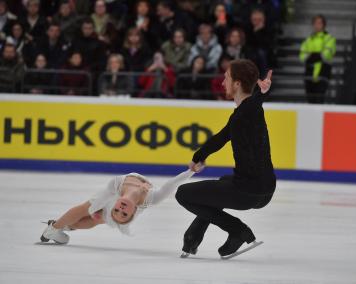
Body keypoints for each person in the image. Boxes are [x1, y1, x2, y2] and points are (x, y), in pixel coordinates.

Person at [175, 59, 276, 258]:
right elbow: (220, 139)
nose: (223, 83)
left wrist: (262, 94)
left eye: (226, 78)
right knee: (222, 182)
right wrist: (198, 158)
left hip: (248, 192)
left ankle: (238, 230)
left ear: (237, 83)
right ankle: (193, 237)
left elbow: (254, 105)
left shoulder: (249, 110)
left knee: (182, 194)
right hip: (264, 189)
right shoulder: (242, 114)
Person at [41, 169, 197, 244]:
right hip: (112, 196)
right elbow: (172, 184)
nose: (121, 209)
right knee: (89, 210)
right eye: (124, 214)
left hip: (114, 193)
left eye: (118, 211)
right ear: (133, 212)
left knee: (95, 215)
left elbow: (95, 207)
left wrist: (96, 210)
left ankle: (56, 229)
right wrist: (192, 170)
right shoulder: (151, 198)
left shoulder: (114, 185)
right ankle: (60, 228)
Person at [299, 15, 336, 104]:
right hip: (309, 72)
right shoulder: (308, 39)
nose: (317, 25)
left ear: (324, 25)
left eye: (319, 23)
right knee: (310, 100)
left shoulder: (329, 38)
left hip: (323, 72)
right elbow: (302, 56)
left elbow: (326, 54)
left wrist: (311, 55)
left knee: (319, 99)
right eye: (315, 23)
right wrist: (317, 54)